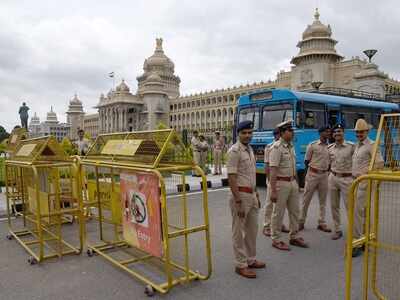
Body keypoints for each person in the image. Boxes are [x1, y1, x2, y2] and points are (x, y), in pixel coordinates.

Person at [227, 120, 265, 278]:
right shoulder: (234, 151)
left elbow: (251, 175)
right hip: (240, 196)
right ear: (238, 134)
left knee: (252, 230)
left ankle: (250, 259)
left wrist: (256, 194)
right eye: (244, 133)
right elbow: (231, 177)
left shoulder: (249, 150)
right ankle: (240, 264)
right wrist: (238, 201)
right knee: (238, 231)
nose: (248, 135)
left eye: (250, 132)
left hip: (251, 194)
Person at [269, 120, 309, 251]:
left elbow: (293, 167)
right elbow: (273, 170)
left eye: (292, 130)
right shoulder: (276, 148)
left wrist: (297, 183)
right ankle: (276, 239)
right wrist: (273, 190)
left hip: (292, 182)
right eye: (289, 131)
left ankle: (294, 236)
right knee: (278, 213)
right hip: (281, 183)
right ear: (282, 133)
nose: (292, 132)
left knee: (294, 211)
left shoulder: (290, 146)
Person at [351, 119, 384, 257]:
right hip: (356, 183)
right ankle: (365, 239)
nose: (359, 134)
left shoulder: (372, 145)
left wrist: (364, 174)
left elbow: (379, 164)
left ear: (367, 132)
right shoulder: (357, 145)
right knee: (363, 213)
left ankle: (357, 242)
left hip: (364, 183)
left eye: (361, 132)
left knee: (357, 213)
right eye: (357, 132)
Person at [299, 126, 331, 233]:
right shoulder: (312, 145)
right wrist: (304, 179)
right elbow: (306, 162)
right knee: (306, 200)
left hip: (324, 175)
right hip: (312, 174)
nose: (328, 133)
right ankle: (301, 221)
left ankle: (321, 223)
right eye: (326, 131)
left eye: (329, 132)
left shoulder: (330, 147)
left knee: (323, 201)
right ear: (320, 133)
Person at [328, 124, 355, 246]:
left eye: (339, 131)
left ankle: (354, 231)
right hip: (333, 177)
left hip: (347, 179)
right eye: (335, 132)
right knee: (334, 206)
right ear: (333, 134)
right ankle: (337, 229)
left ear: (343, 133)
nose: (337, 133)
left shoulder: (351, 147)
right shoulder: (330, 148)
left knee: (350, 207)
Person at [262, 128, 289, 237]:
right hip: (273, 180)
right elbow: (267, 165)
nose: (280, 136)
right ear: (276, 135)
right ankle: (267, 226)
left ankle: (279, 224)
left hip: (283, 180)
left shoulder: (286, 146)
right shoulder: (270, 147)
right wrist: (269, 181)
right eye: (278, 134)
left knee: (281, 205)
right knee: (269, 204)